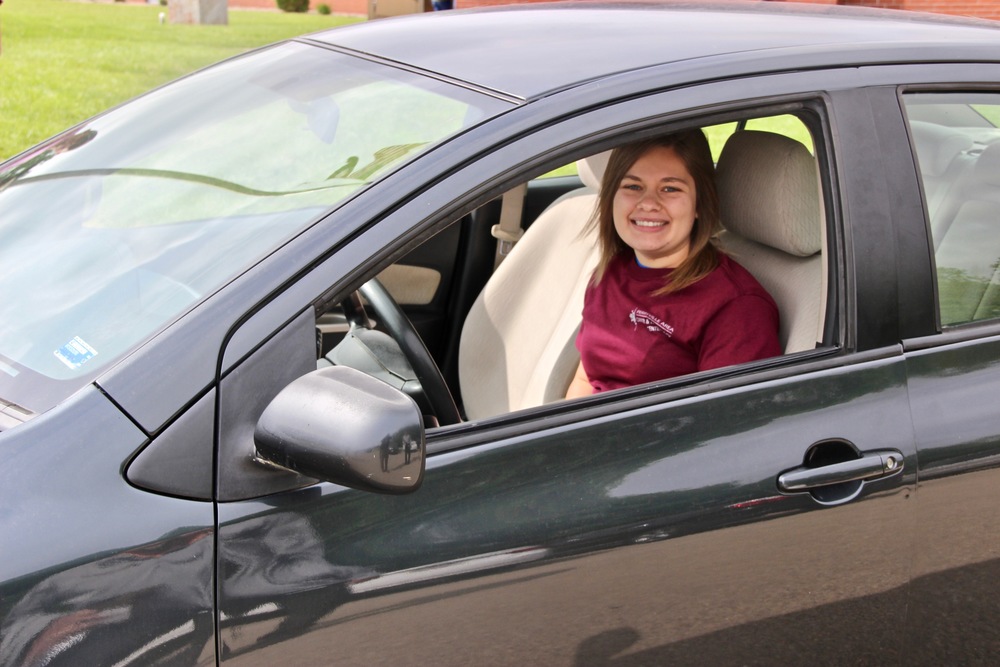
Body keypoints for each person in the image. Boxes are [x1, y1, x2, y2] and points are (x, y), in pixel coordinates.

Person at [566, 129, 781, 398]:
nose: (648, 203)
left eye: (670, 188)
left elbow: (727, 426)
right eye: (633, 186)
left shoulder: (736, 307)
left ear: (700, 203)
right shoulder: (610, 273)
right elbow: (586, 380)